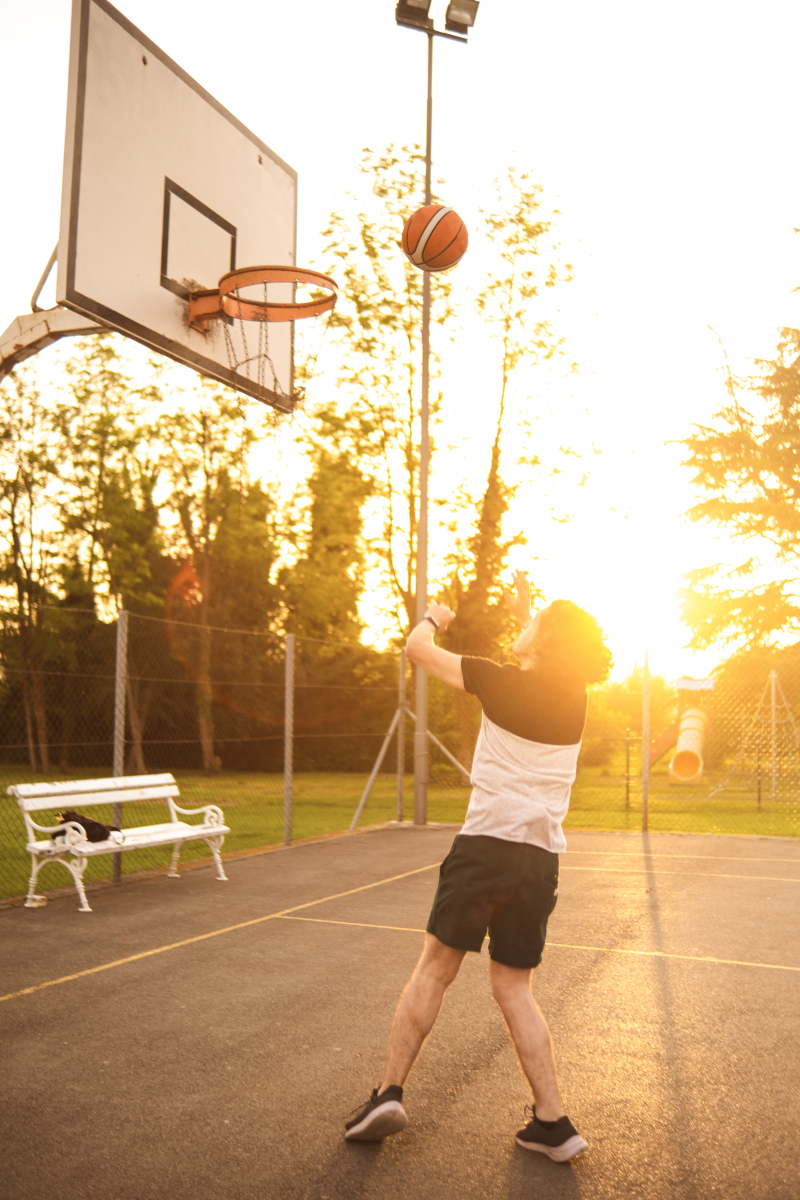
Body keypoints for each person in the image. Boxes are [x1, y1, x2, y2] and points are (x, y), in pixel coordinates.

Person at [344, 571, 612, 1161]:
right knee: (514, 988)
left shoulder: (494, 679)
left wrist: (435, 617)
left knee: (435, 970)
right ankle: (553, 1122)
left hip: (487, 846)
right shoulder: (576, 699)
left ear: (541, 645)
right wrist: (527, 613)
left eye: (534, 622)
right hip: (540, 861)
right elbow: (544, 659)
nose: (527, 624)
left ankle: (388, 1092)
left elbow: (416, 649)